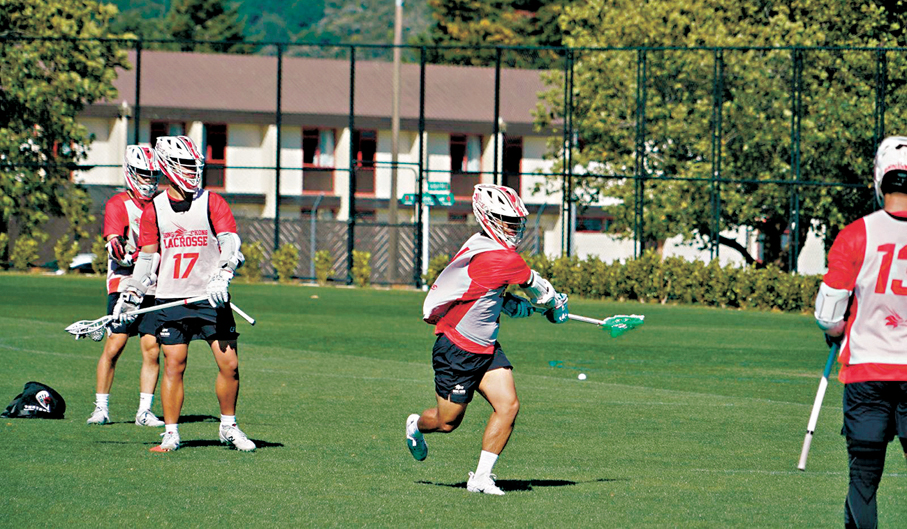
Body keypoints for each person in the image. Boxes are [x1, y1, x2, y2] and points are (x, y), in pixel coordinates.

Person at [404, 184, 569, 495]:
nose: (514, 228)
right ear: (489, 218)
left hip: (487, 347)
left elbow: (482, 289)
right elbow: (542, 292)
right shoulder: (502, 257)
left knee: (508, 406)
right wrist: (555, 306)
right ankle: (416, 425)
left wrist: (507, 302)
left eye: (517, 222)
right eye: (508, 221)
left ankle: (481, 477)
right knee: (447, 422)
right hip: (456, 348)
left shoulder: (484, 245)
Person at [115, 135, 254, 453]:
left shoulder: (212, 202)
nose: (193, 171)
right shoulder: (154, 209)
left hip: (210, 296)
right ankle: (171, 433)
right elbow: (148, 257)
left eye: (194, 165)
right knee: (174, 364)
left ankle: (228, 427)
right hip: (171, 298)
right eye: (186, 165)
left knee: (229, 364)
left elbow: (230, 241)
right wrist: (133, 291)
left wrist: (223, 273)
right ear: (167, 165)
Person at [814, 135, 907, 528]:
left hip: (867, 371)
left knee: (864, 478)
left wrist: (836, 330)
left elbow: (828, 313)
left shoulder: (856, 234)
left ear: (879, 179)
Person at [87, 145, 164, 427]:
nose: (149, 180)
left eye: (153, 175)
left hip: (153, 284)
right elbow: (114, 242)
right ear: (130, 172)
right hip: (123, 282)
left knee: (152, 348)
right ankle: (101, 407)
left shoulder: (162, 204)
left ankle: (144, 411)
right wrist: (123, 251)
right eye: (144, 174)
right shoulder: (118, 203)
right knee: (115, 344)